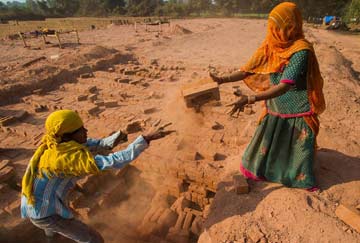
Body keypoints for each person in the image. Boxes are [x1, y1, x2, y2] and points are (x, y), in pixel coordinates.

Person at [210, 2, 325, 190]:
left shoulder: (301, 50)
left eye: (277, 28)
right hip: (275, 106)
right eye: (271, 27)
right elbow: (249, 69)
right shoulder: (271, 44)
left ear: (290, 27)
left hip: (297, 107)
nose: (272, 31)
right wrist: (222, 79)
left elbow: (284, 86)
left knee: (298, 151)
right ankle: (265, 170)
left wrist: (250, 98)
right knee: (266, 144)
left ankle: (297, 178)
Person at [21, 109, 173, 242]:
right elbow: (112, 161)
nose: (86, 131)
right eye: (81, 130)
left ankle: (51, 238)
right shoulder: (64, 159)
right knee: (93, 239)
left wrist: (123, 132)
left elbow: (100, 145)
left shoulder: (61, 143)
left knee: (52, 232)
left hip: (40, 202)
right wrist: (146, 138)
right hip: (45, 212)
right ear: (68, 135)